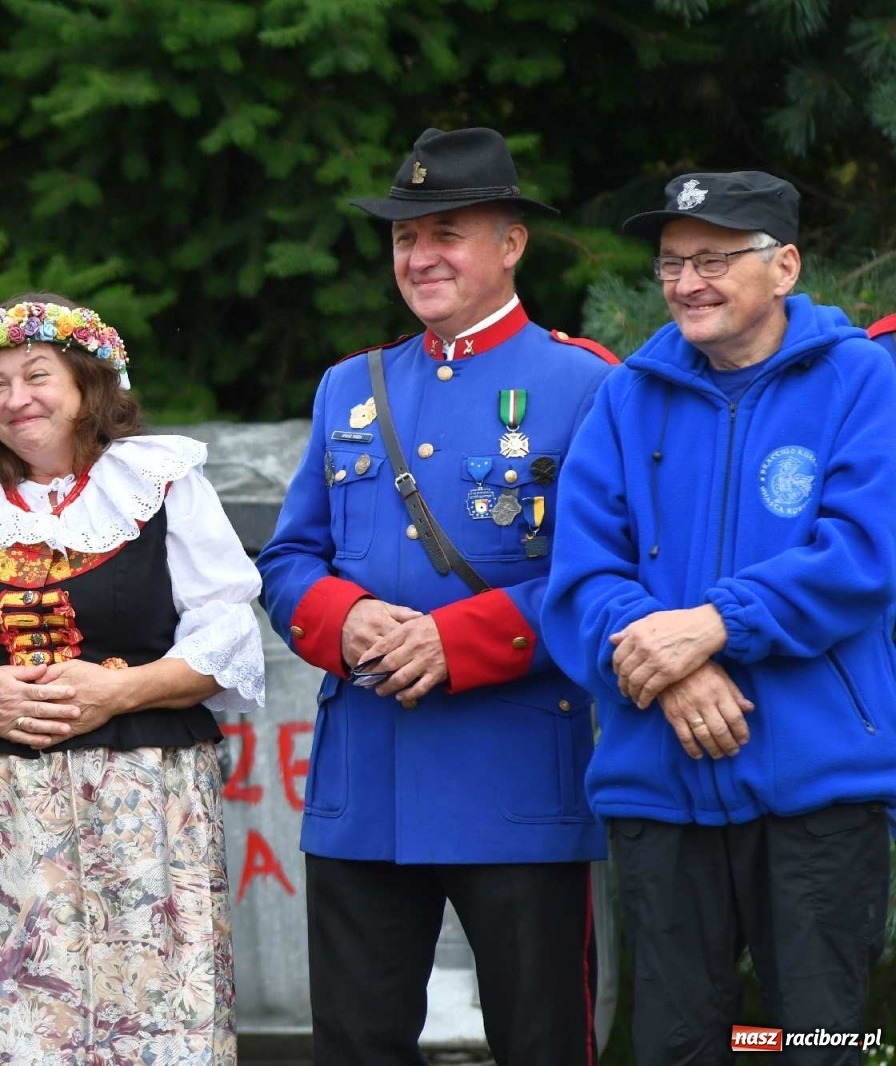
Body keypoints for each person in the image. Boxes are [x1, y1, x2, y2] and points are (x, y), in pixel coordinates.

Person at [257, 127, 618, 1066]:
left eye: (446, 233)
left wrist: (465, 640)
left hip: (514, 781)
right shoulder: (350, 388)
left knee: (542, 1043)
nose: (419, 257)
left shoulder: (585, 385)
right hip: (365, 786)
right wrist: (345, 619)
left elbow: (606, 576)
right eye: (404, 238)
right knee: (355, 1045)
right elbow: (290, 557)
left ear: (511, 245)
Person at [542, 171, 896, 1066]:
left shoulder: (862, 378)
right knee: (679, 1045)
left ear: (784, 267)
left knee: (811, 1044)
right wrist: (682, 662)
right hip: (658, 787)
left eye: (712, 259)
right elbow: (582, 578)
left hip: (820, 789)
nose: (688, 282)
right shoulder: (627, 395)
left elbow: (862, 552)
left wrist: (715, 622)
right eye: (670, 264)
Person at [0, 293, 263, 1063]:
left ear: (88, 384)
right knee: (14, 1019)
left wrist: (121, 689)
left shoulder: (160, 483)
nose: (17, 400)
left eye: (38, 376)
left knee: (151, 1007)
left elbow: (228, 632)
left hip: (146, 801)